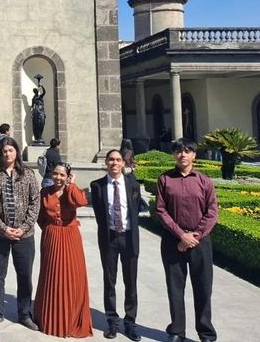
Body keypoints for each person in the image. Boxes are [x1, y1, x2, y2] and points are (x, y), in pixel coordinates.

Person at [156, 139, 219, 342]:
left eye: (187, 151)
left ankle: (206, 332)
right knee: (175, 288)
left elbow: (212, 212)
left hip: (201, 243)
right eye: (178, 151)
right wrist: (181, 235)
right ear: (173, 155)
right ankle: (177, 331)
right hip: (172, 242)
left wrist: (195, 236)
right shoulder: (164, 180)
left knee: (203, 287)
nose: (182, 155)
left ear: (194, 155)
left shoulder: (204, 181)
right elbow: (161, 210)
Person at [0, 136, 40, 331]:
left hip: (24, 236)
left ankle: (24, 313)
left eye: (10, 150)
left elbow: (35, 202)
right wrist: (3, 228)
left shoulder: (28, 174)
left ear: (16, 152)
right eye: (4, 151)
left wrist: (23, 228)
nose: (7, 153)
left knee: (25, 275)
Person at [90, 149, 144, 341]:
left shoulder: (133, 185)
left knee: (130, 283)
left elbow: (136, 212)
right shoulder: (97, 186)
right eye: (111, 159)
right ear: (106, 162)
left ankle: (130, 323)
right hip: (109, 238)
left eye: (118, 160)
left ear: (123, 163)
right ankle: (112, 322)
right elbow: (98, 215)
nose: (114, 163)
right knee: (109, 281)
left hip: (129, 238)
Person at [34, 162, 93, 338]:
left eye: (62, 175)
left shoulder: (71, 191)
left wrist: (71, 185)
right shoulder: (45, 192)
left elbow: (81, 201)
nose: (58, 177)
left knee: (72, 276)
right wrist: (50, 229)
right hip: (52, 236)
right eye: (55, 174)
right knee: (51, 276)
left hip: (70, 237)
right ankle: (50, 319)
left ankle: (71, 320)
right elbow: (40, 216)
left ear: (68, 176)